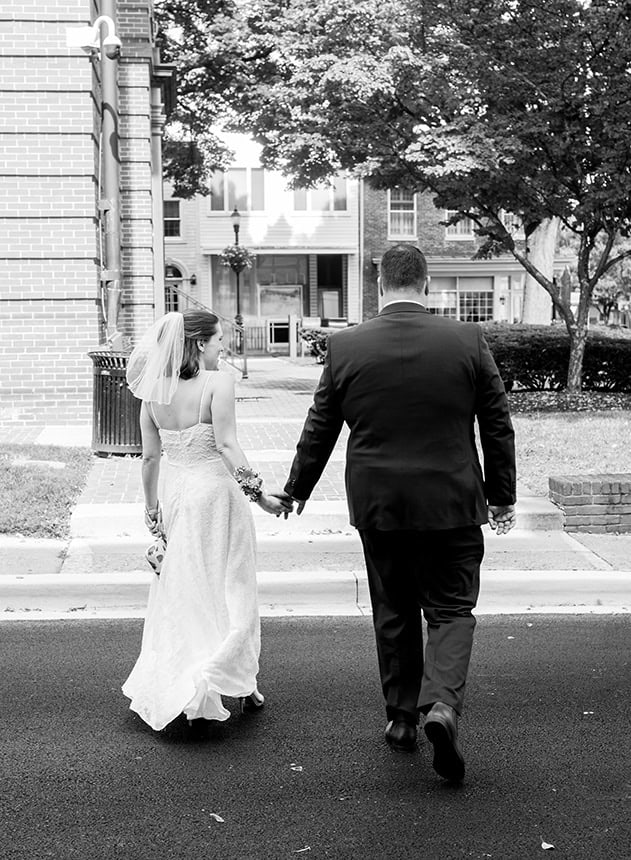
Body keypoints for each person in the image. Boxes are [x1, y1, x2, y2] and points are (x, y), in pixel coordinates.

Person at [284, 244, 516, 781]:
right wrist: (501, 493)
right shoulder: (467, 339)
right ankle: (441, 705)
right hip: (453, 501)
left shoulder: (346, 347)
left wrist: (297, 489)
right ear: (427, 285)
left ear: (381, 286)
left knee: (394, 610)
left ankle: (402, 720)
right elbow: (497, 423)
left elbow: (320, 427)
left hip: (379, 503)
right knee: (452, 609)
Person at [122, 310, 291, 732]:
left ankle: (198, 676)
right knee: (232, 584)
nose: (223, 348)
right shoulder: (217, 383)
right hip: (216, 498)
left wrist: (151, 510)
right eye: (218, 341)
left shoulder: (152, 397)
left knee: (186, 589)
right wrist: (262, 497)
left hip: (177, 497)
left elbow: (148, 458)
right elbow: (227, 445)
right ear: (199, 344)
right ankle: (237, 680)